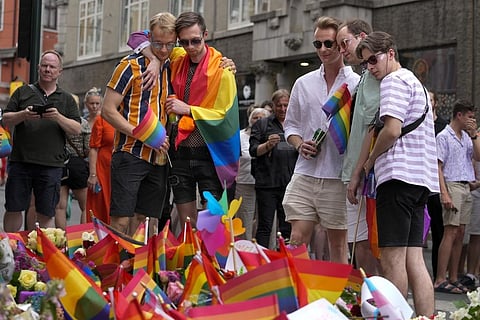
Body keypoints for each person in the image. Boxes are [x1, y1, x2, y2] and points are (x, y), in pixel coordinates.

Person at [127, 12, 240, 229]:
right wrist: (152, 59)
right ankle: (190, 262)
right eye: (184, 42)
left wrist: (187, 109)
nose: (190, 47)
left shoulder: (222, 69)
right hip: (179, 155)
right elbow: (136, 37)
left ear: (206, 35)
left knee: (213, 225)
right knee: (188, 224)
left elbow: (224, 115)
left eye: (196, 40)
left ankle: (211, 263)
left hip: (210, 157)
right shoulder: (177, 56)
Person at [357, 31, 439, 316]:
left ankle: (398, 316)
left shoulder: (393, 81)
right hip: (421, 180)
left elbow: (391, 129)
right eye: (365, 63)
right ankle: (427, 316)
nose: (370, 67)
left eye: (373, 59)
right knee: (414, 258)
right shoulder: (416, 83)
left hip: (397, 176)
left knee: (393, 258)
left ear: (390, 53)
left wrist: (369, 162)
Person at [283, 16, 360, 263]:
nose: (323, 50)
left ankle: (339, 300)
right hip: (305, 172)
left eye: (329, 44)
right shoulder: (303, 83)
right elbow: (291, 126)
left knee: (337, 245)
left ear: (341, 45)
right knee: (297, 239)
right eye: (318, 44)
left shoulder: (356, 83)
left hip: (338, 176)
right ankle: (298, 294)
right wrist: (299, 144)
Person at [101, 13, 173, 235]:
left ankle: (137, 267)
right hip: (130, 153)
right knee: (121, 219)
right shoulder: (129, 65)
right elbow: (107, 110)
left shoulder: (173, 65)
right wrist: (142, 134)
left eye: (169, 44)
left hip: (159, 158)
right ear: (149, 38)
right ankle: (116, 267)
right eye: (158, 44)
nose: (162, 50)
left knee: (145, 220)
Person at [2, 50, 81, 232]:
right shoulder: (22, 92)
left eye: (52, 66)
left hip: (51, 165)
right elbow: (6, 119)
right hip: (20, 161)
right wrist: (24, 114)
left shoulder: (67, 99)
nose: (47, 69)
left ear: (59, 71)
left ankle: (42, 254)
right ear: (38, 68)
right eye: (44, 65)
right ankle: (10, 251)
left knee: (46, 212)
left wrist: (58, 117)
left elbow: (77, 129)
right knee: (13, 208)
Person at [336, 18, 380, 273]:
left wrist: (357, 173)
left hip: (366, 175)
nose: (342, 50)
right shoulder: (365, 77)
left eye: (345, 43)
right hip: (358, 171)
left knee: (366, 243)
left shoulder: (376, 76)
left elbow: (374, 128)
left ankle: (377, 302)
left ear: (362, 37)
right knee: (359, 242)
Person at [434, 99, 480, 294]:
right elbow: (438, 166)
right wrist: (444, 193)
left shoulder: (467, 137)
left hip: (466, 186)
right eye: (469, 117)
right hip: (451, 184)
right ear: (459, 115)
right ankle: (440, 278)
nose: (472, 120)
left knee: (460, 233)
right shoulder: (444, 136)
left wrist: (474, 134)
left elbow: (478, 157)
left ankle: (453, 276)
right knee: (450, 232)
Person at [250, 89, 296, 248]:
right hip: (267, 185)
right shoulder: (262, 124)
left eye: (286, 105)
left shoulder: (295, 124)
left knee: (288, 227)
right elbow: (253, 151)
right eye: (279, 106)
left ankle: (286, 260)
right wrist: (268, 145)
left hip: (289, 184)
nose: (283, 109)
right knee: (265, 227)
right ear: (273, 106)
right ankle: (261, 261)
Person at [54, 94, 91, 229]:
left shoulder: (57, 122)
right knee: (85, 206)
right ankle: (83, 239)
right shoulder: (83, 123)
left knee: (60, 207)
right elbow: (87, 149)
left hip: (60, 164)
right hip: (77, 165)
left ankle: (62, 241)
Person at [236, 107, 269, 240]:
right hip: (245, 182)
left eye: (262, 118)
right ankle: (244, 252)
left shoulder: (271, 137)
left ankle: (268, 253)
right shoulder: (240, 136)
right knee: (244, 220)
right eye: (255, 117)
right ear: (250, 119)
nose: (258, 120)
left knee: (266, 221)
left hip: (267, 184)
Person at [426, 90, 449, 281]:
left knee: (439, 227)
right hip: (420, 179)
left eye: (431, 99)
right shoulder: (419, 122)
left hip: (434, 181)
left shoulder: (443, 125)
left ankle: (437, 274)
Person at [85, 89, 114, 224]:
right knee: (100, 207)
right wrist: (93, 174)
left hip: (122, 169)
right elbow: (93, 148)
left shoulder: (130, 117)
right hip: (103, 169)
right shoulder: (101, 119)